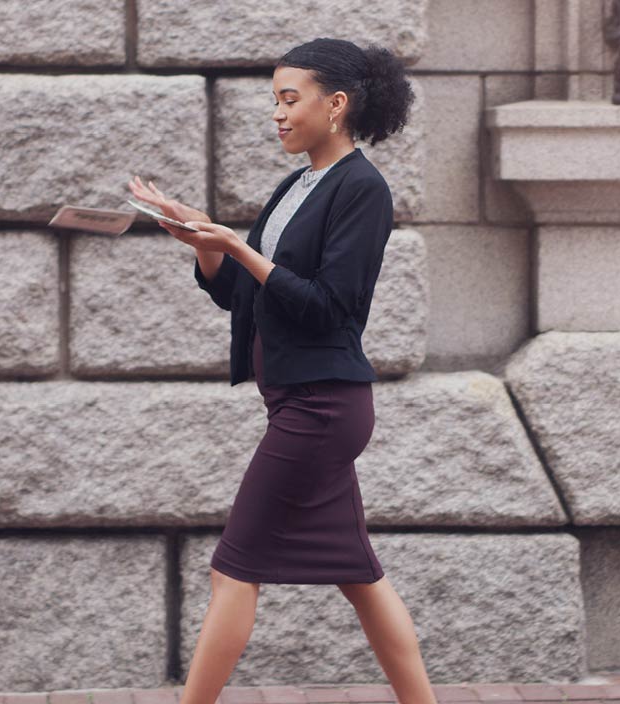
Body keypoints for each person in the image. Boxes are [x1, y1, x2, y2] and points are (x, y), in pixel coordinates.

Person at [127, 38, 437, 704]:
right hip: (301, 402)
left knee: (233, 568)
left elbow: (329, 307)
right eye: (274, 100)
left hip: (322, 408)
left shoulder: (363, 189)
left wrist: (238, 245)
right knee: (359, 574)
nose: (277, 113)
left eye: (289, 99)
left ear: (337, 105)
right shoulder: (296, 185)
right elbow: (247, 298)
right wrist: (204, 243)